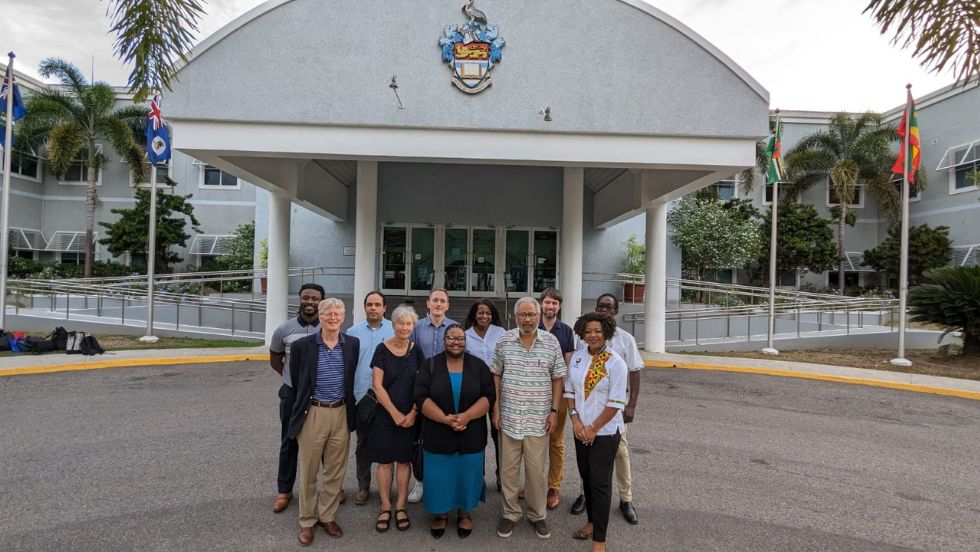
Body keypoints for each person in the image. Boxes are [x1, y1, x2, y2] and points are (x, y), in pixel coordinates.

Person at [491, 297, 566, 540]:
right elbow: (496, 377)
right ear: (515, 317)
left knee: (536, 473)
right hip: (510, 418)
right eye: (522, 315)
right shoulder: (504, 341)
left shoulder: (551, 342)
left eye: (531, 315)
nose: (527, 319)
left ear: (538, 315)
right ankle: (510, 513)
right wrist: (496, 409)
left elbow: (558, 379)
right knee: (508, 472)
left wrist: (554, 411)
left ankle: (537, 515)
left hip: (538, 419)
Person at [287, 298, 359, 546]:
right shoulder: (303, 346)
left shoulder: (352, 344)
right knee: (309, 470)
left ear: (343, 317)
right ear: (319, 316)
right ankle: (307, 521)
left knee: (335, 470)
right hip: (313, 413)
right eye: (328, 313)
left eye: (337, 313)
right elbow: (298, 382)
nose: (333, 317)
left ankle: (327, 515)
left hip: (341, 411)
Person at [415, 324, 495, 539]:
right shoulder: (430, 365)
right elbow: (421, 397)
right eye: (451, 338)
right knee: (440, 475)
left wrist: (467, 416)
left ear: (465, 341)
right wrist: (445, 419)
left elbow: (488, 396)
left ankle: (464, 513)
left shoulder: (478, 366)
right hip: (437, 431)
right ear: (444, 340)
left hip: (471, 431)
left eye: (460, 338)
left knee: (468, 473)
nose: (456, 342)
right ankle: (440, 514)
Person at [570, 293, 644, 525]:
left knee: (620, 455)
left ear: (616, 310)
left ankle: (626, 499)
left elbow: (634, 371)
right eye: (600, 306)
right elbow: (574, 377)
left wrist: (631, 404)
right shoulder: (583, 340)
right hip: (585, 413)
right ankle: (585, 495)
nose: (604, 310)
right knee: (587, 460)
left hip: (612, 414)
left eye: (608, 307)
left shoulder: (625, 340)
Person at [566, 312, 627, 552]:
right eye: (588, 331)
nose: (592, 335)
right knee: (587, 478)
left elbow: (615, 403)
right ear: (582, 333)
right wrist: (576, 422)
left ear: (606, 333)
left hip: (604, 433)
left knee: (600, 484)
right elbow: (570, 392)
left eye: (597, 331)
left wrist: (593, 428)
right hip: (580, 430)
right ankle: (591, 522)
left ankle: (599, 540)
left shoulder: (615, 362)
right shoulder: (578, 358)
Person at [366, 305, 426, 533]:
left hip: (410, 416)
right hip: (384, 414)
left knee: (403, 461)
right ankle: (385, 506)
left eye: (408, 323)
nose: (404, 327)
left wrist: (411, 413)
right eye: (400, 323)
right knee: (384, 462)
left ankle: (400, 506)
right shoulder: (382, 349)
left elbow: (422, 385)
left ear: (413, 326)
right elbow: (377, 386)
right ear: (393, 325)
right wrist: (394, 413)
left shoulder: (417, 351)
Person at [269, 283, 325, 514]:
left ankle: (332, 488)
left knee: (324, 443)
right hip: (292, 393)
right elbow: (276, 360)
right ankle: (284, 490)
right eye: (306, 298)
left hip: (322, 394)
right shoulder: (285, 329)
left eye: (315, 299)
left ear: (322, 301)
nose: (310, 302)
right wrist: (293, 379)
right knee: (289, 441)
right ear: (300, 300)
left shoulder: (329, 327)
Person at [407, 288, 459, 503]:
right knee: (419, 436)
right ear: (428, 303)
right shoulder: (416, 327)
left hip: (447, 389)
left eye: (442, 301)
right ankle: (420, 480)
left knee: (446, 435)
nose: (438, 304)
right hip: (421, 388)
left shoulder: (455, 327)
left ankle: (445, 480)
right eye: (435, 300)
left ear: (447, 305)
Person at [346, 291, 394, 505]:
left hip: (389, 397)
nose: (373, 308)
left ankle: (388, 487)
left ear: (385, 308)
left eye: (377, 304)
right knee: (363, 444)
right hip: (362, 398)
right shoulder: (352, 332)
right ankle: (363, 486)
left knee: (389, 443)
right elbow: (348, 366)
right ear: (365, 307)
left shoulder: (396, 328)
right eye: (369, 304)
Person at [463, 299, 506, 490]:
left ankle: (501, 474)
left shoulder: (501, 333)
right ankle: (477, 475)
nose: (484, 316)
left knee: (500, 433)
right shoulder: (465, 335)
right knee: (476, 434)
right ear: (474, 314)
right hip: (474, 390)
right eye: (480, 312)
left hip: (499, 387)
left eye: (488, 313)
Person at [538, 288, 575, 510]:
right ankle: (535, 484)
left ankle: (554, 486)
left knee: (556, 441)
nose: (550, 307)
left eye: (554, 303)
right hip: (534, 392)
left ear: (559, 307)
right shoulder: (533, 325)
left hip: (558, 394)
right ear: (541, 304)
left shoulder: (566, 331)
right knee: (533, 441)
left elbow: (568, 363)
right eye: (547, 302)